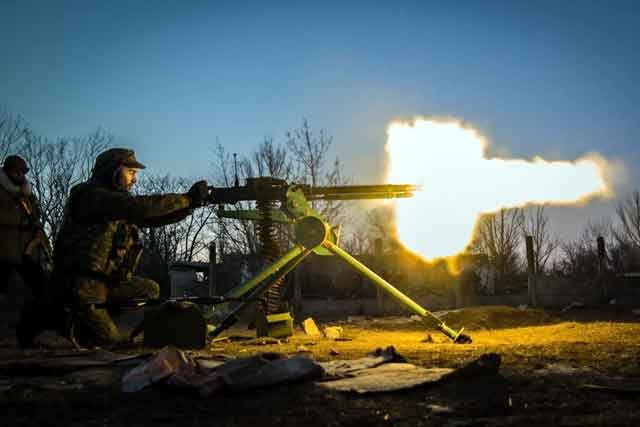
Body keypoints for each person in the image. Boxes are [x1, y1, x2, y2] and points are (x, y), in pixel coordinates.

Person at [24, 148, 209, 348]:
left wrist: (190, 206)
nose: (134, 179)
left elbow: (153, 217)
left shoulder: (116, 205)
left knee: (149, 289)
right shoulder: (92, 196)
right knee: (111, 343)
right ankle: (56, 316)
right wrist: (186, 198)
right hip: (81, 284)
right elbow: (141, 207)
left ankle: (78, 320)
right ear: (113, 170)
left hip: (106, 283)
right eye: (131, 172)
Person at [0, 155, 52, 320]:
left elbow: (35, 216)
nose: (21, 176)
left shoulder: (27, 193)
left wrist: (39, 234)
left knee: (41, 285)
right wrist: (19, 220)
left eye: (23, 172)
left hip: (25, 249)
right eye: (17, 172)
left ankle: (41, 322)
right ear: (8, 172)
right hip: (3, 249)